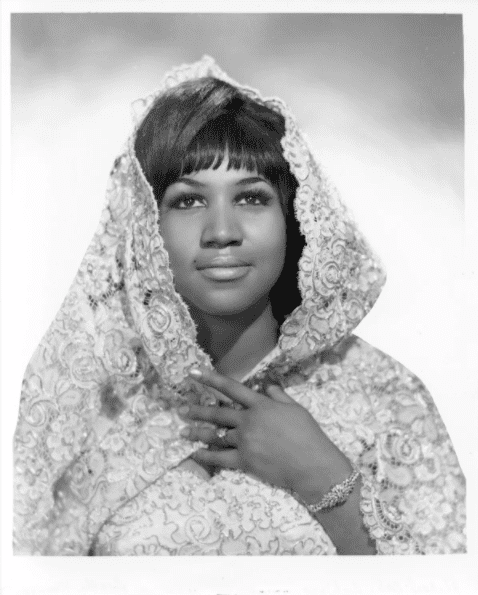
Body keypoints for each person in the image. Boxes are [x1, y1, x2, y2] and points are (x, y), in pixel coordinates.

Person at [13, 56, 466, 556]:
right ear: (144, 228)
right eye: (188, 201)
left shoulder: (386, 398)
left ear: (294, 219)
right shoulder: (93, 402)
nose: (222, 232)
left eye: (251, 198)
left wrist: (321, 477)